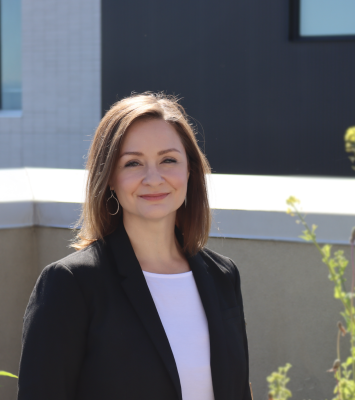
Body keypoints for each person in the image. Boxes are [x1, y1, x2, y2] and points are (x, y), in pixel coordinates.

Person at [17, 93, 252, 400]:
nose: (153, 178)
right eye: (133, 163)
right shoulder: (71, 285)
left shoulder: (223, 276)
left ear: (190, 171)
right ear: (110, 178)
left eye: (168, 160)